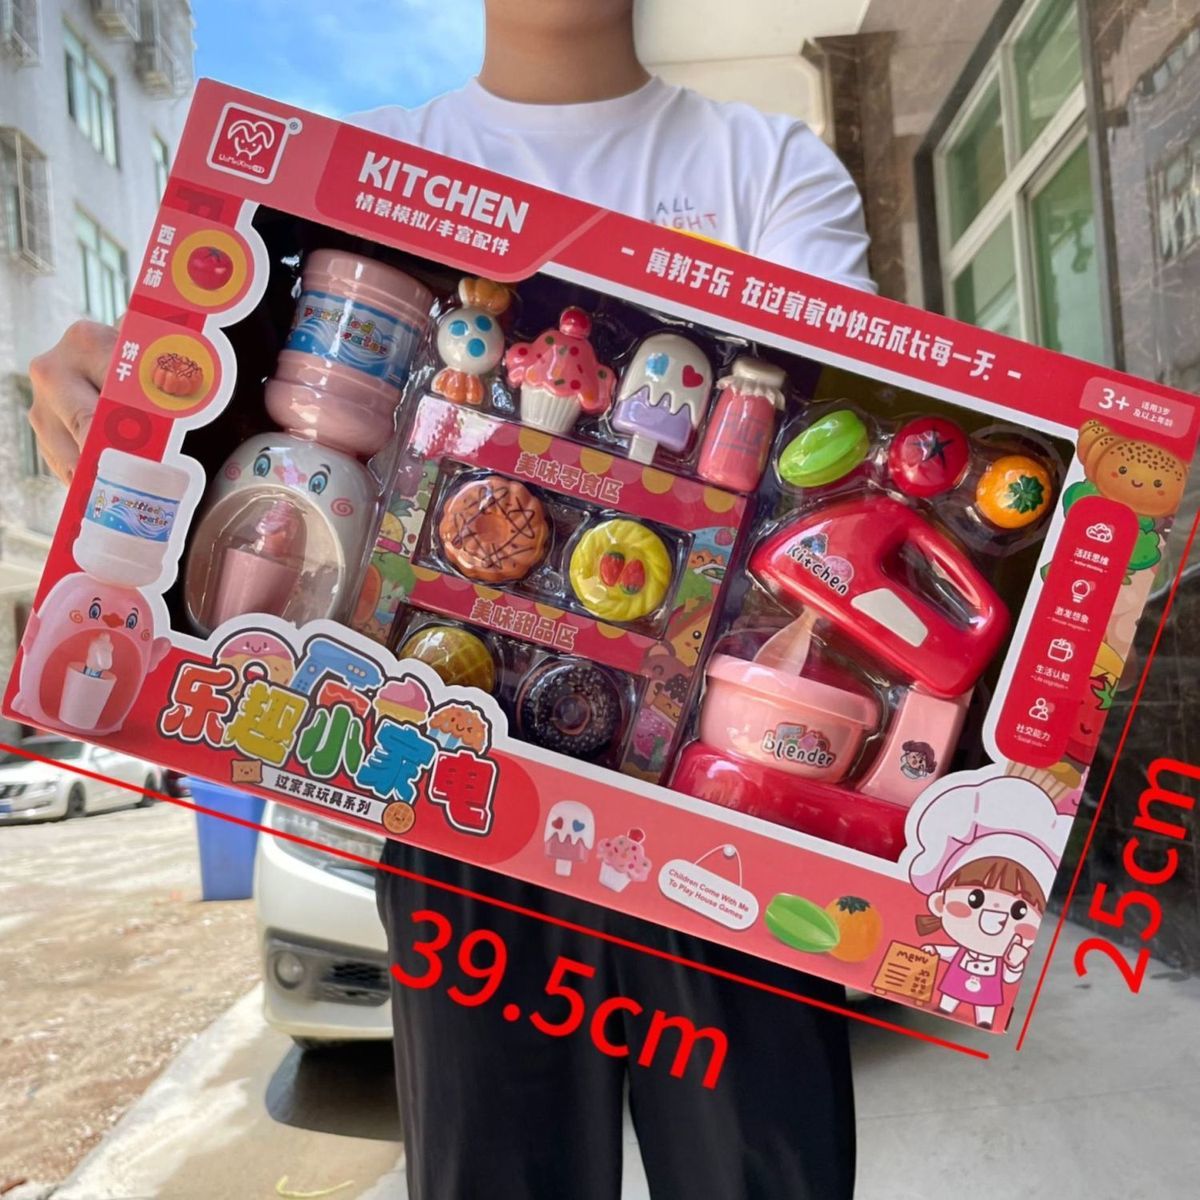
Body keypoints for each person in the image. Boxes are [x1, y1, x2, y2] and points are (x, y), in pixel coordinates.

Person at [28, 3, 873, 1196]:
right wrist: (138, 400)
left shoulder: (770, 168)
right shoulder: (356, 174)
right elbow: (262, 437)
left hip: (715, 803)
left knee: (762, 1173)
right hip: (453, 786)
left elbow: (855, 424)